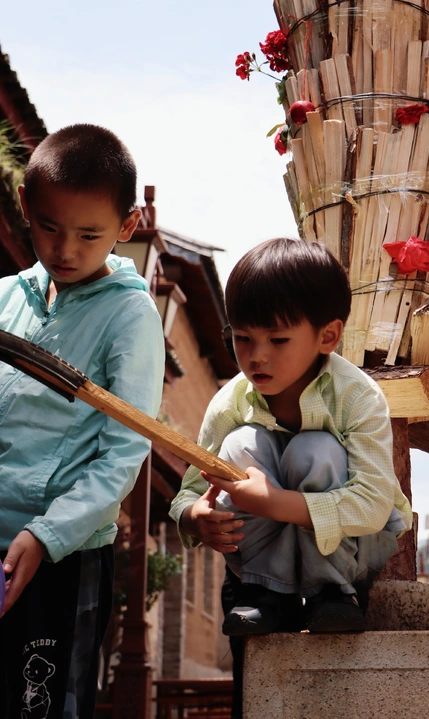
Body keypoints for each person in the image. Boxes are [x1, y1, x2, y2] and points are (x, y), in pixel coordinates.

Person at [0, 124, 165, 719]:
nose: (65, 250)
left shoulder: (131, 317)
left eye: (90, 235)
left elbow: (122, 457)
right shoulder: (5, 298)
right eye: (48, 227)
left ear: (126, 228)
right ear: (26, 206)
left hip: (62, 557)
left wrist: (46, 535)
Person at [170, 237, 412, 640]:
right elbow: (189, 491)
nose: (256, 356)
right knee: (239, 445)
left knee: (314, 449)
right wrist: (195, 518)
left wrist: (277, 503)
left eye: (278, 340)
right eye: (243, 338)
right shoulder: (229, 403)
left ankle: (331, 592)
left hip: (353, 555)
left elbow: (373, 505)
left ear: (328, 337)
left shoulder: (357, 396)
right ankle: (267, 595)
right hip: (255, 576)